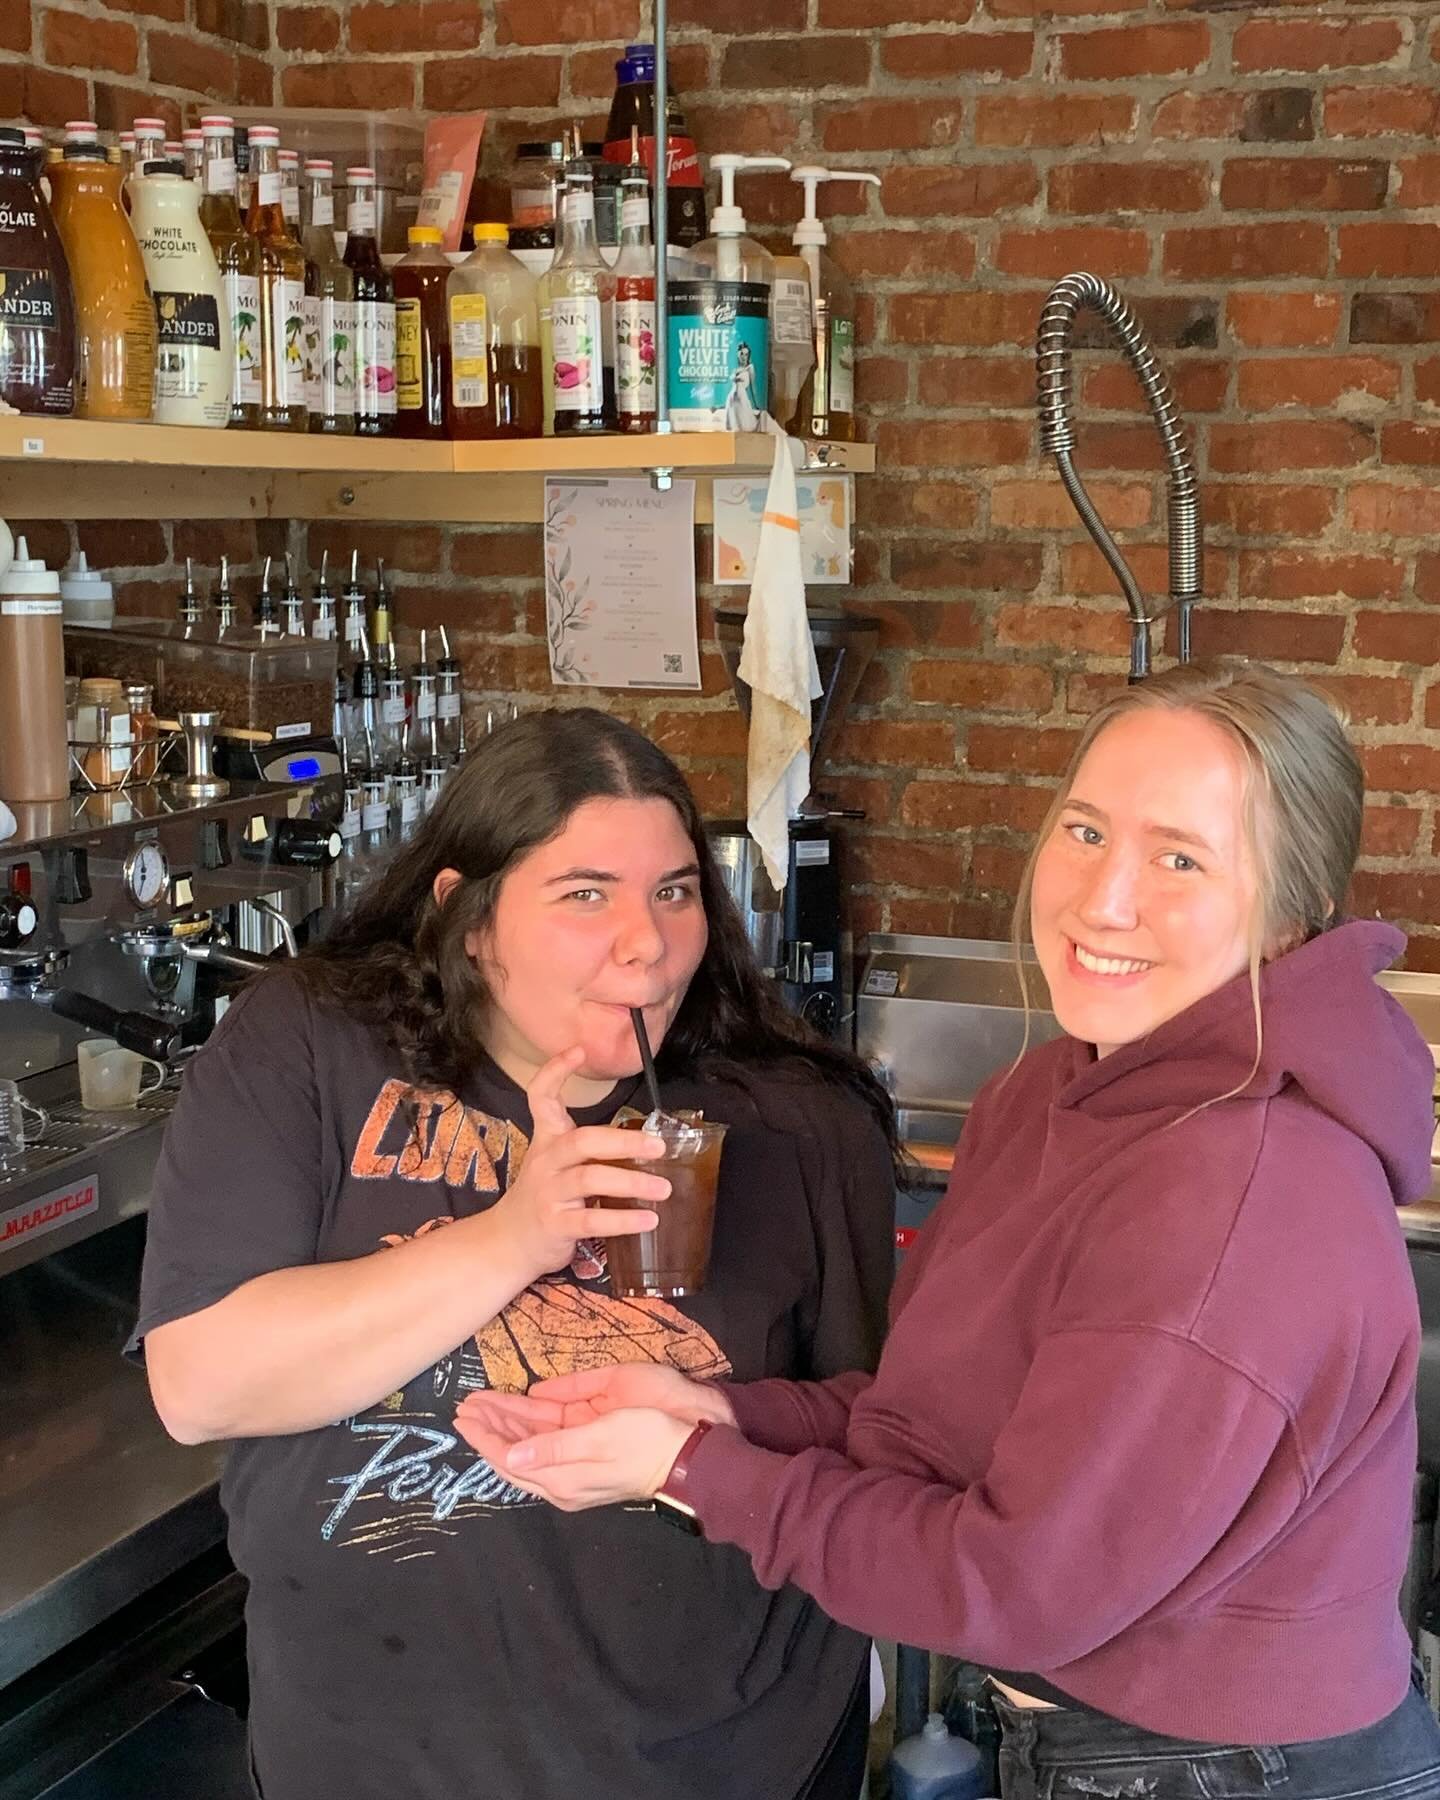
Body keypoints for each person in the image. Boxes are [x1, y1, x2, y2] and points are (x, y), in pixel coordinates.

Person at [459, 663, 1440, 1800]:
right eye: (1085, 830)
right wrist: (718, 1413)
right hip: (1088, 1738)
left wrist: (691, 1471)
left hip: (1241, 1771)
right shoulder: (1050, 1093)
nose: (1102, 900)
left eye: (1182, 860)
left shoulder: (1239, 1194)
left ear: (1289, 918)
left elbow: (1014, 1588)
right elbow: (929, 1426)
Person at [130, 708, 897, 1800]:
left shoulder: (798, 1120)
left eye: (674, 891)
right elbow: (200, 1386)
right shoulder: (310, 1045)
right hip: (371, 1761)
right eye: (586, 893)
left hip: (722, 1760)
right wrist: (517, 1235)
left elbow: (879, 1438)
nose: (646, 941)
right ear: (469, 917)